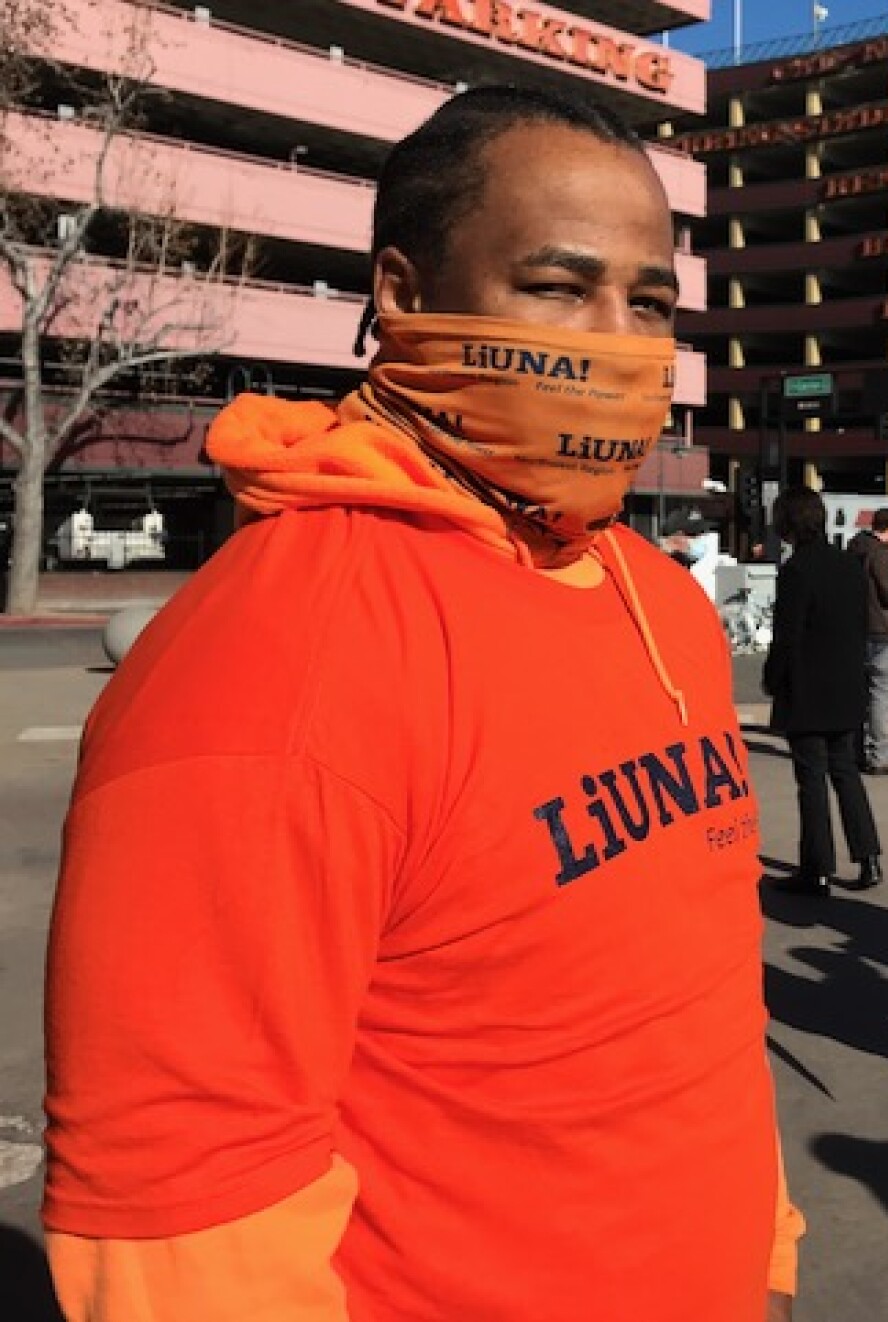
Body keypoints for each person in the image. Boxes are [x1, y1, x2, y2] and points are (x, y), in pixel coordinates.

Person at [41, 88, 804, 1321]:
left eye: (649, 302)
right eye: (558, 289)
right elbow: (185, 1196)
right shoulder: (274, 656)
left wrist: (761, 1254)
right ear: (402, 292)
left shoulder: (657, 601)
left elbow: (693, 1008)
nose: (616, 341)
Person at [764, 487, 884, 896]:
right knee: (846, 773)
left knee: (811, 780)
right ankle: (868, 858)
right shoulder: (850, 566)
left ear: (787, 524)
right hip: (847, 686)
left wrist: (773, 678)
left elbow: (788, 637)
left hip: (808, 690)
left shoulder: (796, 571)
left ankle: (816, 868)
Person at [848, 507, 888, 775]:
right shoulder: (882, 555)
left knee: (862, 698)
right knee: (881, 699)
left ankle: (857, 751)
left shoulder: (855, 551)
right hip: (886, 630)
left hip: (860, 630)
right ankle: (879, 756)